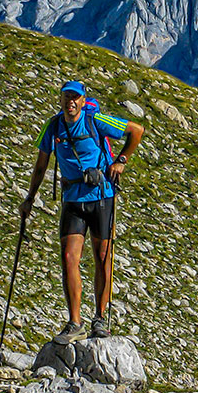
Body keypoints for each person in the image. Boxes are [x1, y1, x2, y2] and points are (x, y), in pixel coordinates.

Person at [18, 81, 144, 343]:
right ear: (61, 99)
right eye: (66, 97)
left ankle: (99, 318)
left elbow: (136, 131)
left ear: (83, 100)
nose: (70, 102)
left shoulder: (95, 120)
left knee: (102, 257)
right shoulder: (53, 127)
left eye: (75, 98)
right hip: (73, 200)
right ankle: (75, 323)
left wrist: (121, 161)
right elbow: (41, 164)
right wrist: (30, 198)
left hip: (102, 197)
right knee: (68, 256)